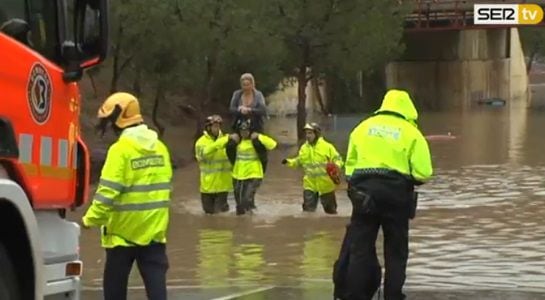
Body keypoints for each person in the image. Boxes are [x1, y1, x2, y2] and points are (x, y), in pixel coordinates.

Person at [333, 89, 433, 300]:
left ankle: (355, 295)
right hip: (396, 195)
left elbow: (349, 168)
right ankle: (393, 295)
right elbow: (423, 173)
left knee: (360, 248)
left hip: (363, 195)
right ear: (409, 109)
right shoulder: (411, 132)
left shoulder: (362, 128)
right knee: (396, 251)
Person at [82, 92, 172, 300]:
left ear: (118, 119)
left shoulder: (120, 150)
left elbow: (107, 192)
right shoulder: (161, 148)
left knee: (114, 287)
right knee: (157, 287)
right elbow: (165, 188)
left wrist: (90, 219)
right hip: (154, 232)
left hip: (122, 234)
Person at [281, 122, 343, 214]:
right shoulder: (304, 148)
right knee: (307, 212)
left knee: (330, 212)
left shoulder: (327, 147)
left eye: (310, 133)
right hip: (309, 184)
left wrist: (336, 166)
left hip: (326, 185)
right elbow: (299, 161)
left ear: (316, 133)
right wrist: (289, 162)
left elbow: (338, 159)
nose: (307, 136)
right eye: (306, 133)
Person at [225, 119, 277, 215]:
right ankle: (248, 217)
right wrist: (229, 137)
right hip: (238, 175)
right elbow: (219, 145)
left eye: (246, 131)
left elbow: (273, 144)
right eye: (242, 131)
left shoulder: (256, 140)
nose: (244, 133)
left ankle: (249, 219)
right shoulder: (236, 142)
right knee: (239, 202)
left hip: (254, 174)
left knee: (246, 199)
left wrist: (259, 136)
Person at [194, 114, 232, 214]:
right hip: (207, 186)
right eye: (215, 126)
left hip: (222, 186)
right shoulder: (200, 142)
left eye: (218, 126)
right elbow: (203, 155)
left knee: (220, 215)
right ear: (208, 127)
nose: (217, 129)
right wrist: (218, 144)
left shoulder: (226, 140)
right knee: (208, 213)